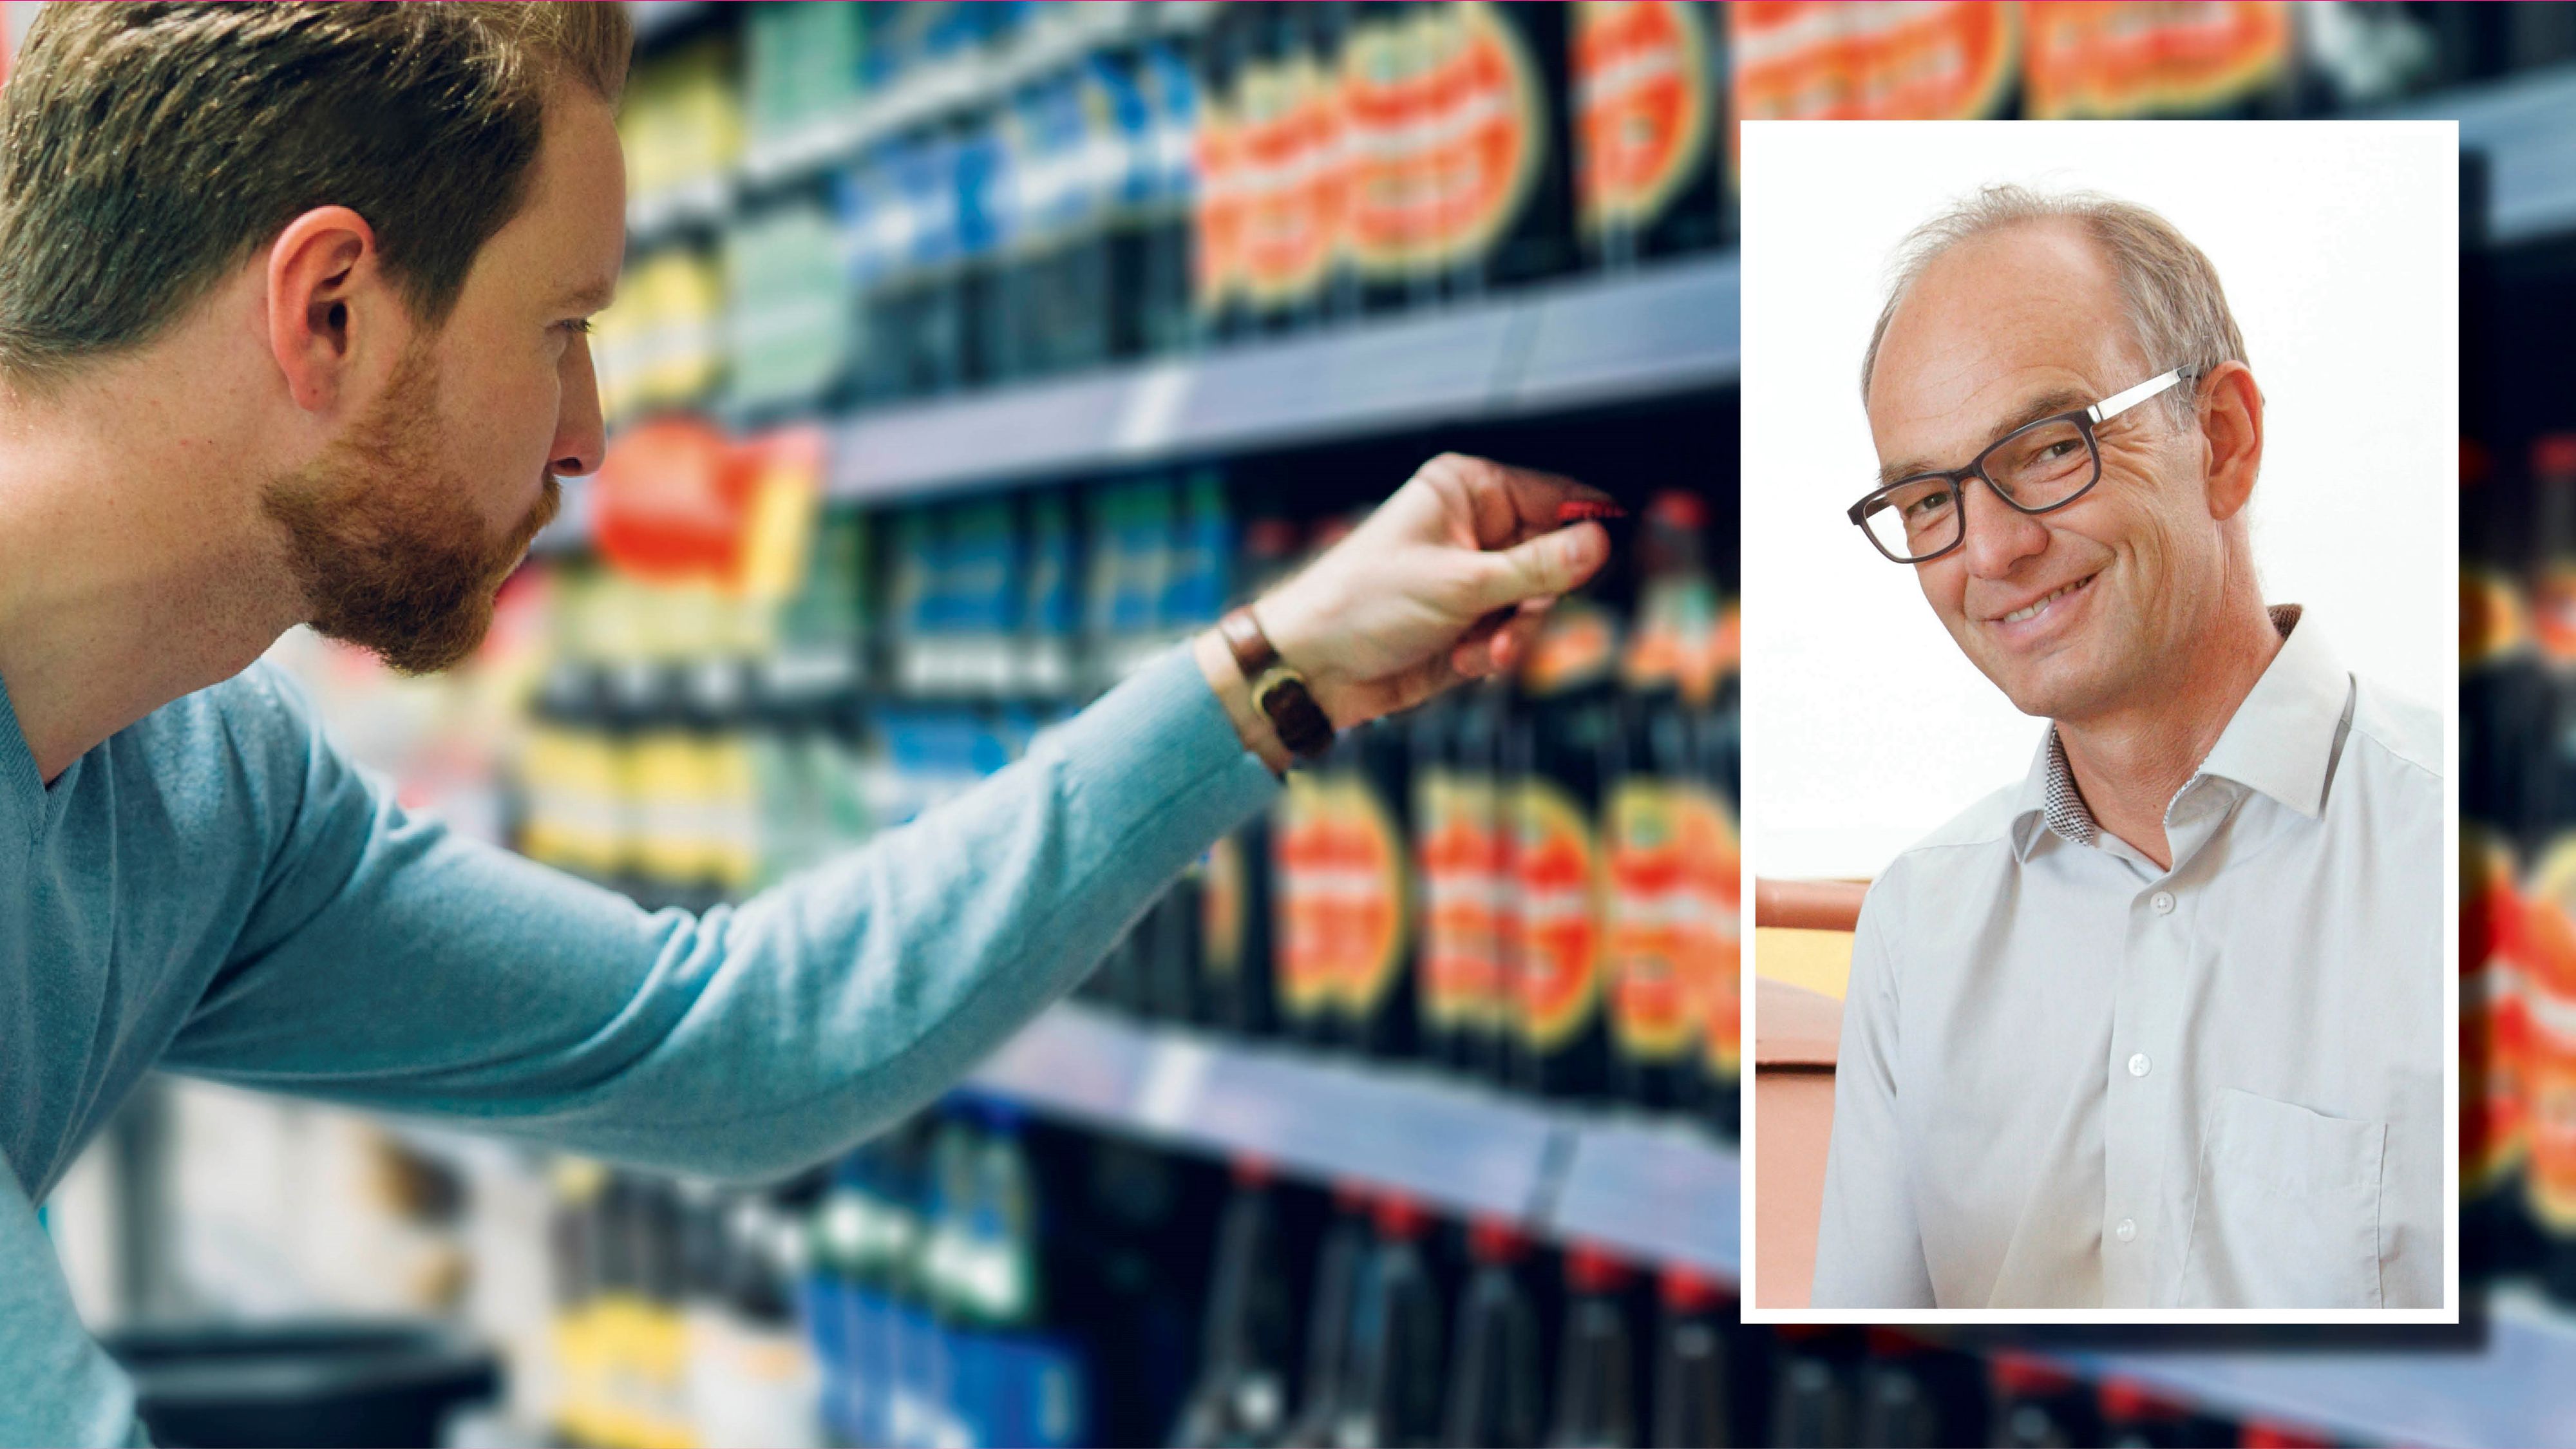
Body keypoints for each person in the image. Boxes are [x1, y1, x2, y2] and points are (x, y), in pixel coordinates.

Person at [0, 8, 1618, 1440]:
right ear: (330, 309)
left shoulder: (210, 785)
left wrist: (1282, 668)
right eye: (562, 329)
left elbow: (733, 1048)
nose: (586, 435)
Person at [1809, 185, 2441, 1311]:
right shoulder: (1918, 926)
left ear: (2224, 441)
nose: (1990, 551)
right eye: (1925, 502)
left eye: (2051, 447)